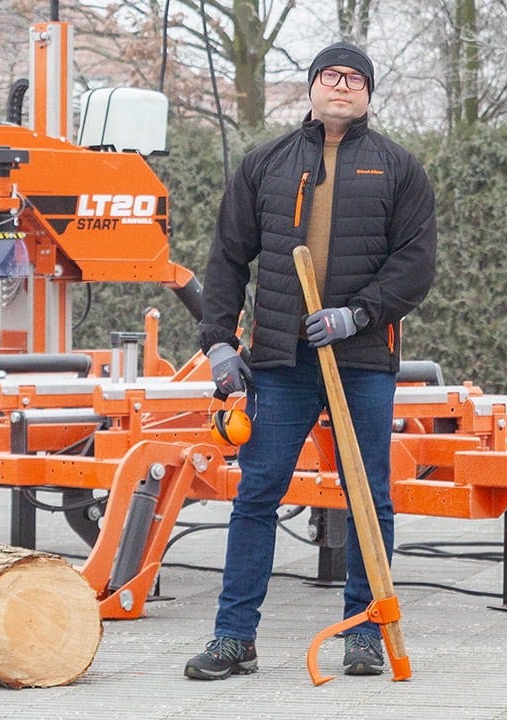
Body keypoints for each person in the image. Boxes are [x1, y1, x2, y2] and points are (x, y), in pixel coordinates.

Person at [185, 42, 438, 680]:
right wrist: (219, 340)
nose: (342, 86)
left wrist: (359, 313)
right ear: (313, 88)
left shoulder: (399, 168)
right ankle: (233, 637)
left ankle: (365, 632)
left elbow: (415, 263)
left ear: (369, 93)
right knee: (257, 493)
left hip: (360, 359)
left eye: (355, 78)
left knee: (367, 497)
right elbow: (227, 257)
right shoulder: (265, 163)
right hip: (279, 358)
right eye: (331, 76)